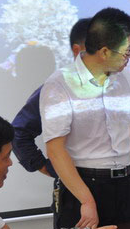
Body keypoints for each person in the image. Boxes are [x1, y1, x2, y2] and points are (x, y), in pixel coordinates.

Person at [41, 7, 130, 229]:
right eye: (127, 51)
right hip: (84, 189)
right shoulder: (59, 84)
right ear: (105, 52)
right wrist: (87, 200)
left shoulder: (120, 81)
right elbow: (55, 150)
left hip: (126, 187)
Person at [12, 17, 90, 179]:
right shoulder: (57, 88)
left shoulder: (115, 85)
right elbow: (19, 132)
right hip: (72, 182)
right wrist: (46, 167)